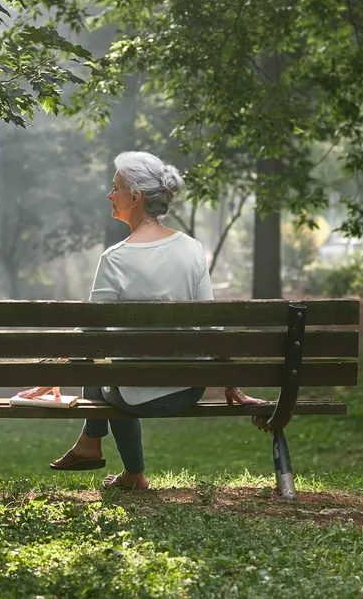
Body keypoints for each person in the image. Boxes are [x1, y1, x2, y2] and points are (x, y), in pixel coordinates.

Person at [16, 150, 265, 490]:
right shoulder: (192, 248)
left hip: (133, 395)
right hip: (187, 389)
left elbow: (88, 336)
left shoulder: (115, 258)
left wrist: (49, 377)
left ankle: (106, 454)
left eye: (114, 187)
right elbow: (212, 327)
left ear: (134, 197)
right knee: (108, 367)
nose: (109, 194)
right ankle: (100, 453)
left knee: (104, 369)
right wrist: (231, 384)